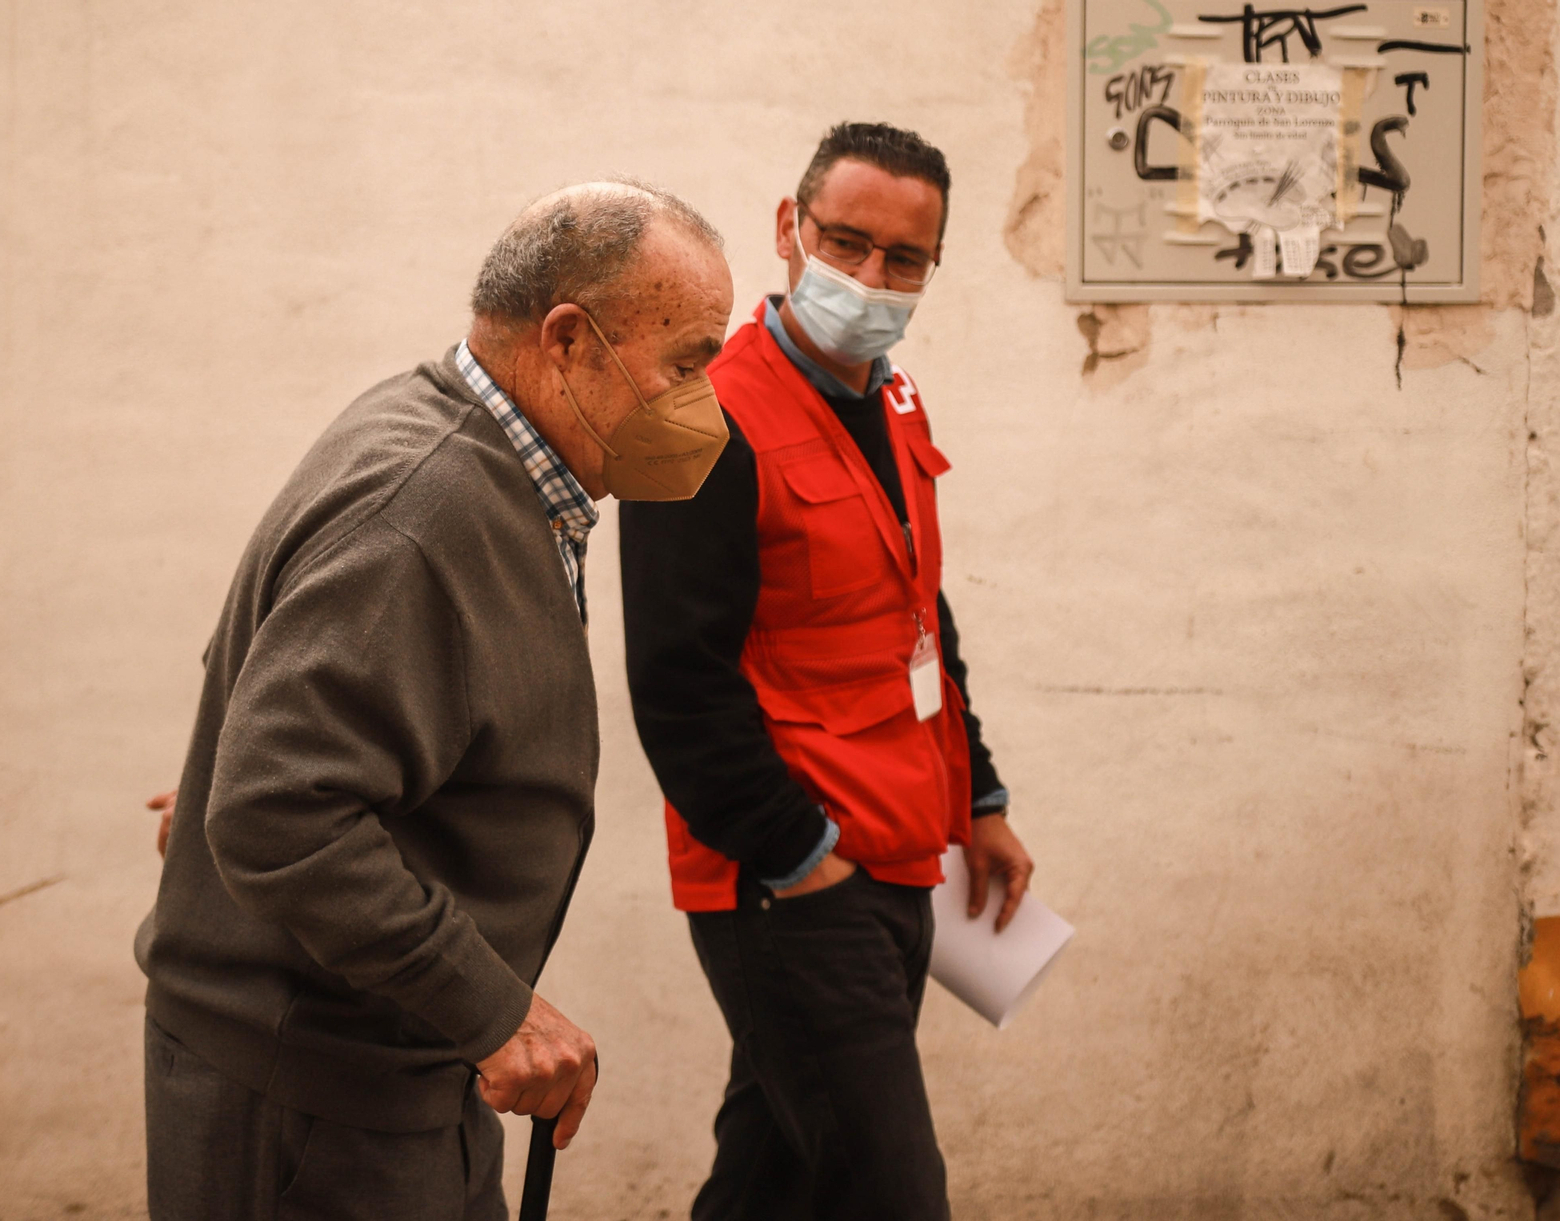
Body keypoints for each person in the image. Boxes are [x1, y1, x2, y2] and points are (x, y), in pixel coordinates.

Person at [136, 180, 733, 1221]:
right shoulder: (423, 506)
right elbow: (275, 810)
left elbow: (287, 707)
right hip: (311, 1097)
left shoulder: (478, 454)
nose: (703, 405)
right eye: (686, 363)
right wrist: (493, 1009)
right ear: (567, 340)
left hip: (395, 1073)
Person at [619, 122, 1034, 1220]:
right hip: (791, 879)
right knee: (890, 1195)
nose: (868, 278)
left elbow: (914, 606)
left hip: (898, 853)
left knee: (773, 1181)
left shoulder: (891, 400)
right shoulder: (691, 419)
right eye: (844, 242)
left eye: (904, 259)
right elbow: (674, 679)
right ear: (786, 231)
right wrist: (796, 859)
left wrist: (978, 795)